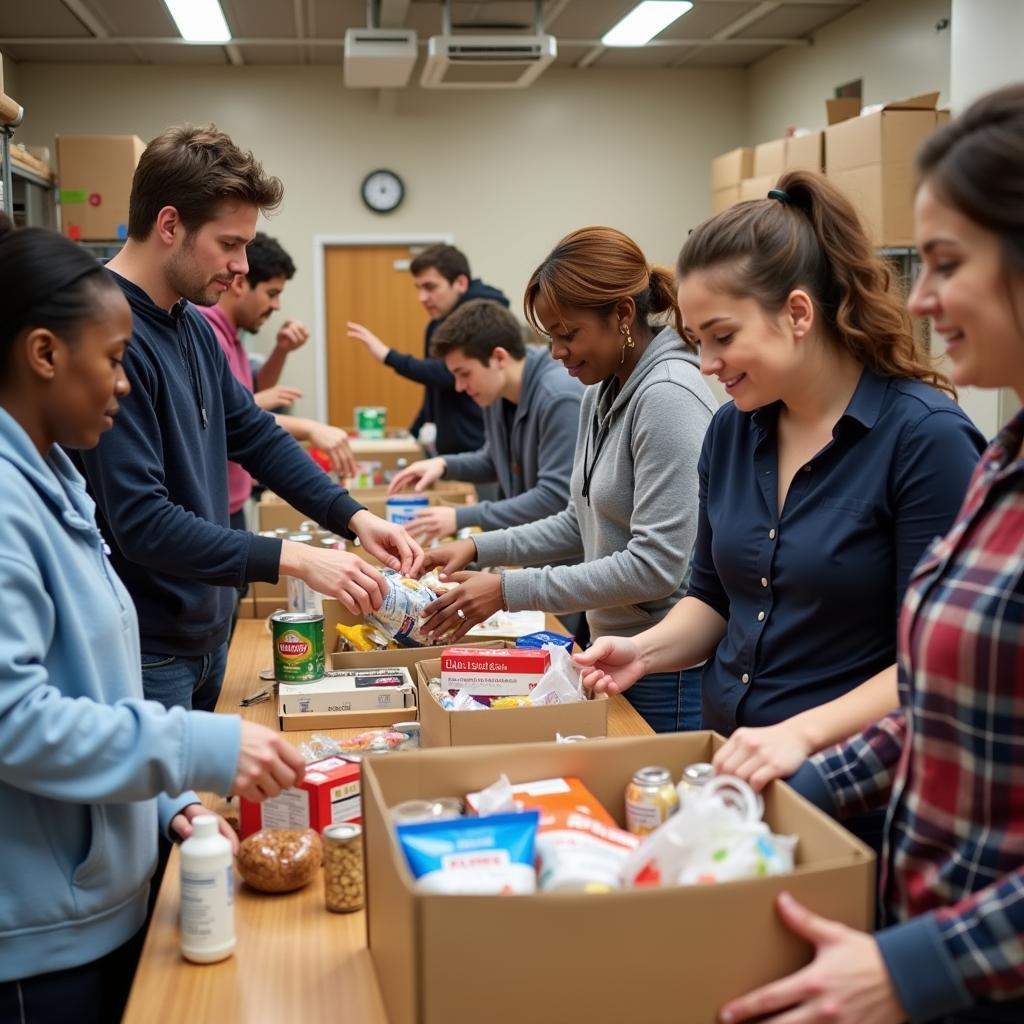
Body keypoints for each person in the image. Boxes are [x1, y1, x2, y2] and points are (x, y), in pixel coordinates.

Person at [718, 83, 1024, 1024]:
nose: (920, 296)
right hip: (918, 928)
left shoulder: (932, 436)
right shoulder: (1005, 460)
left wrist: (921, 966)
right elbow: (943, 708)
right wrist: (794, 783)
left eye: (945, 262)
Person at [576, 174, 983, 801]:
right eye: (696, 341)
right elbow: (713, 599)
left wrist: (800, 734)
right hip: (739, 771)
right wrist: (645, 650)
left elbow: (934, 661)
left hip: (854, 787)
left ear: (797, 313)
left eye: (723, 336)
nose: (707, 364)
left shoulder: (924, 440)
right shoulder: (731, 433)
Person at [0, 213, 305, 1024]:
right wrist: (191, 748)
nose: (125, 384)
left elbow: (89, 685)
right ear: (43, 354)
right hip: (36, 943)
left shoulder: (54, 475)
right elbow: (13, 721)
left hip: (97, 901)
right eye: (112, 362)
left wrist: (168, 800)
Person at [73, 124, 421, 713]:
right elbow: (143, 521)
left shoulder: (188, 322)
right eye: (229, 244)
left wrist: (355, 517)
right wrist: (299, 559)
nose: (240, 267)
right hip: (149, 648)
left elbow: (254, 434)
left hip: (207, 630)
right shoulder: (110, 335)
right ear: (169, 225)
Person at [419, 226, 718, 733]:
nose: (555, 352)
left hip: (669, 668)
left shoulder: (668, 396)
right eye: (550, 336)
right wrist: (477, 548)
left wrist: (510, 589)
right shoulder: (598, 394)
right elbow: (579, 523)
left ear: (622, 315)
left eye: (568, 333)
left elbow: (656, 567)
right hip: (614, 653)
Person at [197, 231, 357, 532]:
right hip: (210, 510)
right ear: (241, 284)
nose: (277, 305)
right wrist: (310, 428)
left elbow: (251, 395)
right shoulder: (209, 334)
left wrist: (281, 350)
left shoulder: (233, 334)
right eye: (272, 293)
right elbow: (230, 418)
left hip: (229, 503)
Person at [387, 297, 583, 543]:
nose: (459, 387)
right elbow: (495, 459)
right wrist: (442, 465)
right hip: (535, 554)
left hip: (568, 566)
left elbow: (554, 498)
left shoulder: (558, 396)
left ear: (499, 358)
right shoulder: (496, 391)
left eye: (464, 374)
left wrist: (461, 517)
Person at [345, 244, 508, 455]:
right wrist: (412, 433)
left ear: (460, 283)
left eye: (430, 287)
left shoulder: (483, 317)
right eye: (419, 288)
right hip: (448, 450)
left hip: (481, 450)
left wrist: (388, 356)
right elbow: (434, 389)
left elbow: (446, 374)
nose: (422, 297)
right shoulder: (436, 324)